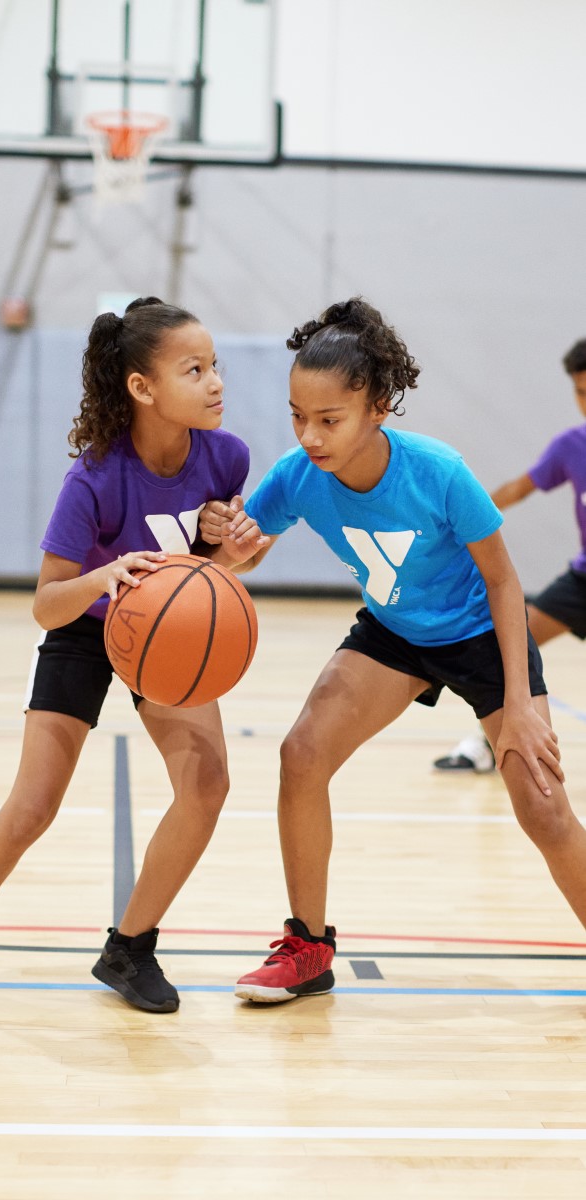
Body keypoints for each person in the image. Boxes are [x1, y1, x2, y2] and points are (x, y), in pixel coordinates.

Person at [201, 297, 586, 1004]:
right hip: (395, 634)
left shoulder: (438, 472)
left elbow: (504, 583)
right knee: (301, 755)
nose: (310, 436)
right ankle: (309, 948)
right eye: (297, 416)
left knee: (543, 807)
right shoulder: (296, 475)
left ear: (377, 406)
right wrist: (231, 548)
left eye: (329, 419)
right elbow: (240, 555)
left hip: (479, 633)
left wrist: (524, 706)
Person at [0, 296, 266, 1015]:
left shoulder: (226, 456)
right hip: (84, 626)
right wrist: (103, 578)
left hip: (165, 635)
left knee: (207, 785)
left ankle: (129, 948)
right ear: (142, 388)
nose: (216, 383)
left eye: (215, 366)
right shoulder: (95, 476)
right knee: (33, 806)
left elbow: (208, 572)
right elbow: (45, 602)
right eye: (195, 370)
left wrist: (232, 554)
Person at [433, 338, 586, 773]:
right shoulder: (571, 446)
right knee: (513, 644)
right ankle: (489, 743)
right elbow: (518, 489)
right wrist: (464, 524)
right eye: (580, 393)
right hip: (582, 583)